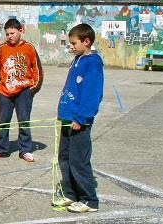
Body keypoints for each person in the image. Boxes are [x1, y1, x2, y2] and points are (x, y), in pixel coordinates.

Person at [53, 23, 103, 213]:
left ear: (86, 41)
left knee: (79, 160)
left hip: (79, 122)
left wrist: (81, 118)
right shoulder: (78, 59)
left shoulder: (92, 63)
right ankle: (70, 194)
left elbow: (92, 95)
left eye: (74, 43)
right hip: (67, 118)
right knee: (64, 157)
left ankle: (89, 200)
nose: (71, 46)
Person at [0, 18, 43, 162]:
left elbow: (37, 70)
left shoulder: (29, 48)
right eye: (7, 34)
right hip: (5, 92)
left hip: (24, 91)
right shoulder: (1, 49)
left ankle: (25, 149)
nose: (10, 36)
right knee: (3, 120)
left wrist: (33, 89)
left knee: (24, 120)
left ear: (20, 31)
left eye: (12, 33)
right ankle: (1, 148)